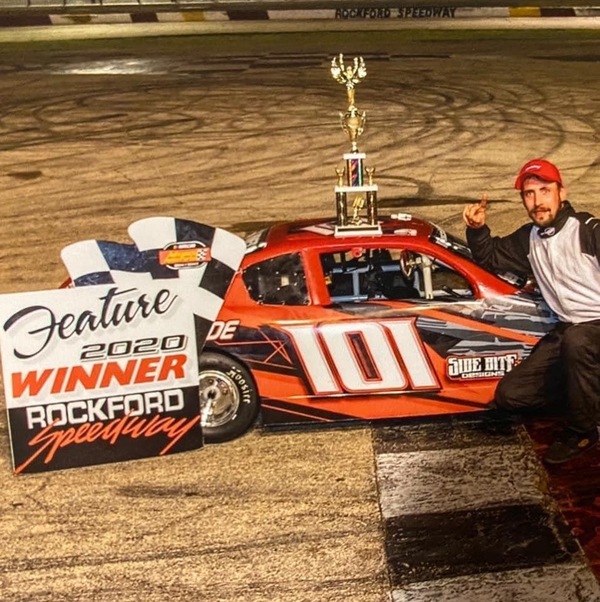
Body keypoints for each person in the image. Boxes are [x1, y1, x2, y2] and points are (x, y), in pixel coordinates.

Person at [463, 158, 600, 464]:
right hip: (568, 330)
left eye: (545, 191)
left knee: (578, 341)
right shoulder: (530, 238)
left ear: (561, 193)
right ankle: (586, 396)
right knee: (511, 395)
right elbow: (491, 257)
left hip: (593, 328)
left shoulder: (588, 230)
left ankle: (583, 431)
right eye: (529, 194)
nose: (537, 202)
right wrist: (477, 229)